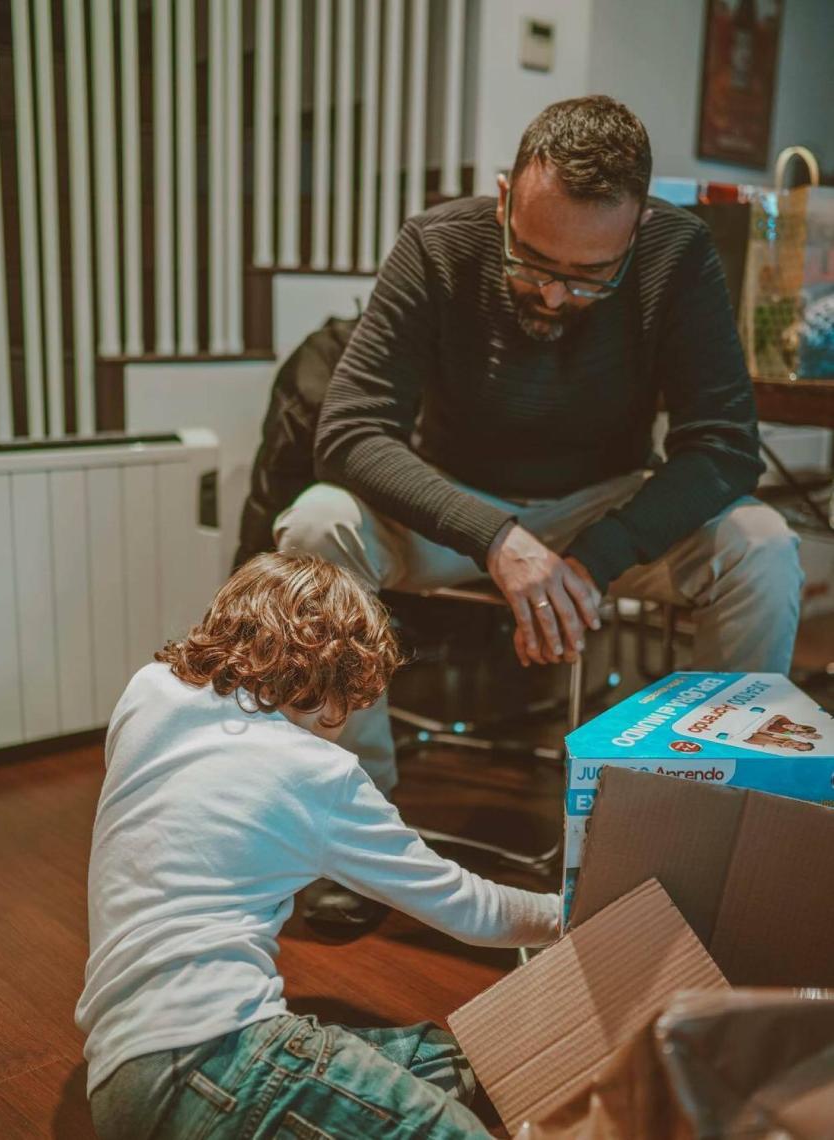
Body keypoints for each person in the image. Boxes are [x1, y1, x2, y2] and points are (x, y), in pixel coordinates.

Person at [274, 94, 802, 927]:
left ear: (632, 232)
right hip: (456, 508)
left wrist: (596, 555)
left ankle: (703, 839)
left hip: (603, 503)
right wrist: (496, 538)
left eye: (589, 278)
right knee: (314, 525)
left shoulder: (677, 253)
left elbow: (724, 447)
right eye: (532, 263)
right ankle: (358, 830)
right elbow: (349, 432)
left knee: (762, 546)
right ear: (503, 198)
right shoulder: (438, 243)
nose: (553, 297)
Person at [75, 552, 558, 1140]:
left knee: (446, 1058)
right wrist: (572, 913)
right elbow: (472, 911)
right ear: (340, 675)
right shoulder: (315, 773)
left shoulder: (149, 692)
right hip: (216, 1058)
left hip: (116, 1074)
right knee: (454, 1130)